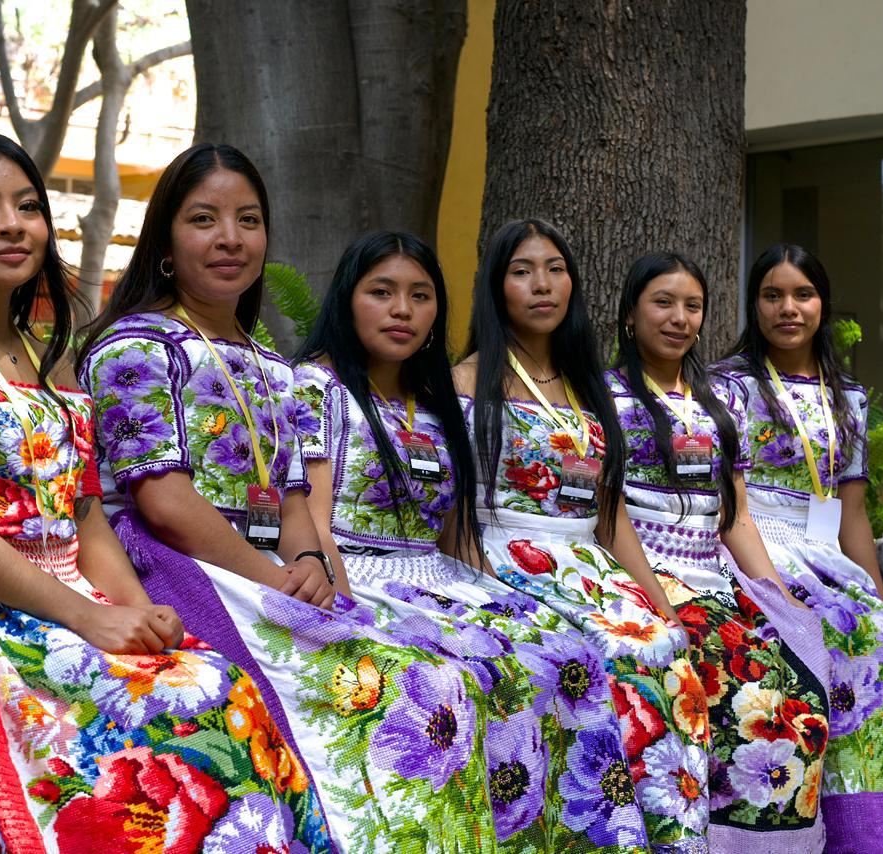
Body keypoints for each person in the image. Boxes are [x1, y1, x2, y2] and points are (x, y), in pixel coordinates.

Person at [0, 133, 325, 853]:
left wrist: (137, 609)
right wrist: (89, 622)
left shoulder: (51, 359)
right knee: (135, 716)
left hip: (61, 594)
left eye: (28, 207)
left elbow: (85, 518)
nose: (12, 224)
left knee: (217, 684)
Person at [80, 144, 502, 851]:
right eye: (204, 219)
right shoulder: (138, 347)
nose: (230, 240)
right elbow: (166, 503)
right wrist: (275, 577)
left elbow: (298, 501)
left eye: (248, 220)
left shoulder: (276, 369)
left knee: (440, 675)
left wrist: (310, 565)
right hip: (176, 564)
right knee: (387, 689)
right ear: (164, 241)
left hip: (265, 571)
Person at [293, 230, 653, 850]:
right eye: (381, 292)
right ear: (347, 301)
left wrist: (496, 595)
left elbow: (457, 531)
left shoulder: (432, 400)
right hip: (357, 579)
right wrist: (345, 612)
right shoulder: (317, 387)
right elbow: (313, 522)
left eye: (420, 295)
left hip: (440, 579)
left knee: (566, 654)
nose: (402, 310)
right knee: (452, 683)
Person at [714, 242, 883, 853]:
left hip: (821, 548)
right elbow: (726, 503)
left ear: (823, 305)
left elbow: (853, 513)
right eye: (772, 295)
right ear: (754, 305)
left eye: (802, 294)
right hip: (752, 540)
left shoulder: (849, 398)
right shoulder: (727, 388)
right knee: (827, 631)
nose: (789, 308)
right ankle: (820, 815)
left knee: (879, 634)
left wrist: (880, 598)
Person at [455, 219, 712, 852]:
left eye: (555, 269)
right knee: (587, 666)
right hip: (504, 558)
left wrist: (657, 598)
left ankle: (668, 840)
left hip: (589, 563)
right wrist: (482, 592)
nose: (541, 285)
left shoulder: (587, 383)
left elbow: (609, 510)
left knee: (673, 659)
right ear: (496, 287)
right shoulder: (466, 381)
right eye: (521, 271)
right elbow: (453, 511)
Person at [610, 250, 834, 852]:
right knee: (717, 684)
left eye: (692, 306)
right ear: (630, 314)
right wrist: (656, 597)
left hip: (712, 576)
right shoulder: (604, 398)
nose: (679, 318)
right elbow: (608, 514)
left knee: (795, 685)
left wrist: (777, 596)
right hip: (637, 575)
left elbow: (734, 517)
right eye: (663, 303)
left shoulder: (718, 403)